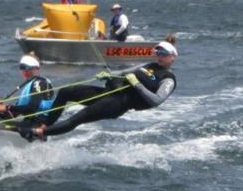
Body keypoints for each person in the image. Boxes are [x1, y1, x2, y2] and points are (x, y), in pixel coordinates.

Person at [32, 38, 178, 138]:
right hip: (107, 94)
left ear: (173, 57)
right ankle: (45, 124)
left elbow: (157, 100)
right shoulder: (148, 65)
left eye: (164, 54)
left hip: (118, 104)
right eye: (158, 53)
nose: (160, 56)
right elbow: (122, 73)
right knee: (66, 92)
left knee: (78, 117)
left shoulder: (168, 79)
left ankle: (40, 133)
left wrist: (137, 85)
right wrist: (108, 75)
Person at [0, 54, 55, 138]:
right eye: (23, 68)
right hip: (27, 124)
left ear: (37, 68)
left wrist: (6, 107)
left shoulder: (38, 83)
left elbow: (33, 108)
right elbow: (13, 115)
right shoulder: (29, 86)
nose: (25, 71)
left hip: (37, 127)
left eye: (29, 68)